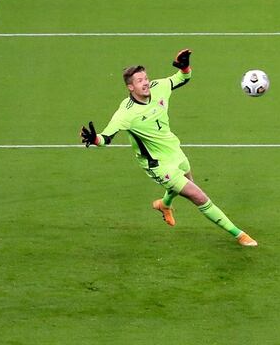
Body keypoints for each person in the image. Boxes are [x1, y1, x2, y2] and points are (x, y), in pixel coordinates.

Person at [81, 49, 257, 247]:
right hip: (158, 164)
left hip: (174, 150)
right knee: (198, 195)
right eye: (140, 81)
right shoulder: (125, 114)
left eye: (145, 78)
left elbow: (183, 77)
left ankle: (164, 205)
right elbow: (106, 137)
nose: (146, 82)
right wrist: (95, 139)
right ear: (130, 87)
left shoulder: (159, 87)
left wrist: (185, 66)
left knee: (189, 182)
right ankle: (239, 235)